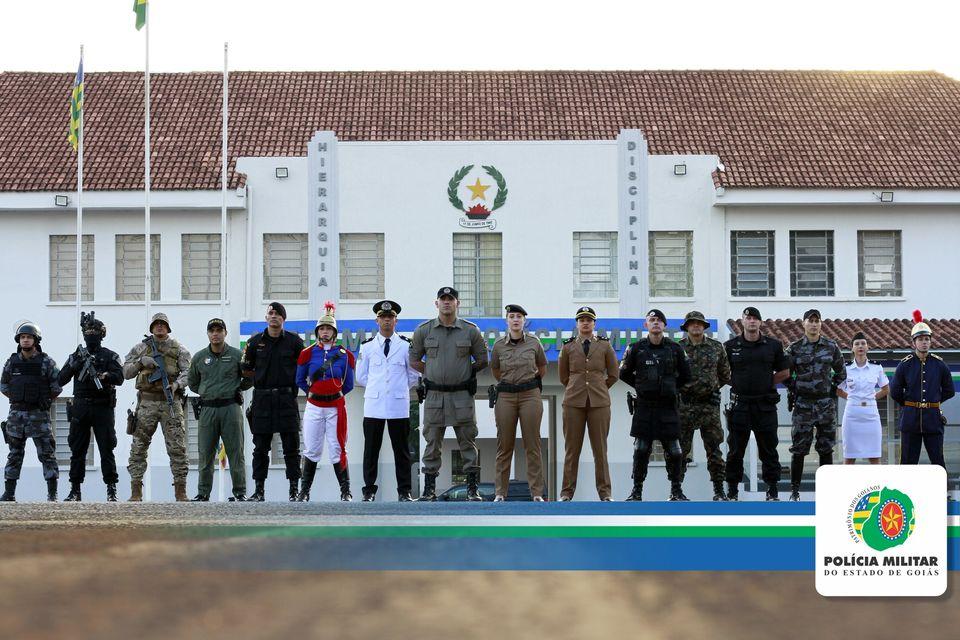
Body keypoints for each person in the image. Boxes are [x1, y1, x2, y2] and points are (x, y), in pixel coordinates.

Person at [409, 286, 488, 501]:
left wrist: (463, 372)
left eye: (450, 299)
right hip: (434, 395)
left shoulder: (470, 330)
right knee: (432, 442)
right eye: (442, 299)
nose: (446, 302)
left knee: (468, 442)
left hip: (462, 395)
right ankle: (429, 489)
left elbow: (482, 360)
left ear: (457, 303)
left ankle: (472, 489)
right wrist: (432, 372)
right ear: (436, 303)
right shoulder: (424, 331)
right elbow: (414, 360)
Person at [619, 309, 691, 501]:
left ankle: (676, 490)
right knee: (641, 449)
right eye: (652, 320)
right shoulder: (636, 348)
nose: (656, 323)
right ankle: (636, 491)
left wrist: (671, 388)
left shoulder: (675, 349)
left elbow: (687, 376)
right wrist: (642, 386)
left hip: (668, 406)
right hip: (645, 406)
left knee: (675, 451)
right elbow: (624, 373)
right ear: (646, 325)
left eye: (659, 320)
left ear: (664, 325)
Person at [355, 300, 420, 502]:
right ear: (377, 320)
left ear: (396, 320)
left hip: (398, 404)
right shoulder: (367, 347)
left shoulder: (405, 345)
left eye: (390, 317)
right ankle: (369, 490)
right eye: (383, 317)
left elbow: (413, 375)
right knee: (371, 450)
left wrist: (396, 389)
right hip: (374, 405)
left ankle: (404, 491)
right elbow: (361, 376)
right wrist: (378, 389)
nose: (386, 321)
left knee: (401, 450)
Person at [724, 307, 790, 501]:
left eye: (755, 318)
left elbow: (785, 372)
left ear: (760, 322)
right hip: (740, 406)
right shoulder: (730, 346)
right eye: (748, 318)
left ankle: (772, 489)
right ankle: (733, 490)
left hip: (765, 405)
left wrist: (765, 382)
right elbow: (722, 372)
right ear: (742, 322)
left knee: (769, 449)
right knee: (735, 450)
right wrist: (737, 383)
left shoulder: (774, 345)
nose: (751, 321)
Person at [123, 313, 191, 502]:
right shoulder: (140, 348)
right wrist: (140, 362)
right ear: (152, 327)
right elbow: (125, 372)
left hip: (171, 402)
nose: (160, 327)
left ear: (168, 328)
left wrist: (176, 385)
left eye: (163, 324)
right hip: (146, 402)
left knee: (177, 447)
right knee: (138, 447)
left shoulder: (179, 349)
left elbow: (188, 373)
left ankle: (181, 491)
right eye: (156, 324)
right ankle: (136, 491)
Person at [57, 312, 124, 502]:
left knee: (106, 448)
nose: (91, 334)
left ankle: (111, 490)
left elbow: (120, 377)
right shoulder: (76, 355)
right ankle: (75, 489)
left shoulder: (110, 356)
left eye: (95, 331)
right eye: (88, 331)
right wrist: (75, 364)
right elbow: (60, 379)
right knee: (77, 450)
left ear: (102, 334)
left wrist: (105, 375)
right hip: (80, 408)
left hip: (103, 408)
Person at [241, 302, 305, 502]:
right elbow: (246, 368)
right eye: (271, 313)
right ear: (266, 317)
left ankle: (294, 490)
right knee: (260, 448)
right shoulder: (254, 342)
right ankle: (259, 491)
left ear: (283, 319)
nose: (274, 316)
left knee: (291, 448)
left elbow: (302, 367)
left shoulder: (294, 342)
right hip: (262, 399)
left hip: (286, 398)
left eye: (278, 314)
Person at [295, 301, 356, 501]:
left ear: (334, 332)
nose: (325, 332)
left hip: (335, 407)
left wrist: (333, 393)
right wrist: (313, 392)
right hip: (314, 406)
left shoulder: (344, 355)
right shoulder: (307, 353)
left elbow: (348, 384)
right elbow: (299, 379)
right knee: (312, 448)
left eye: (329, 328)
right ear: (317, 331)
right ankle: (304, 492)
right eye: (322, 328)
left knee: (337, 448)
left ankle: (345, 491)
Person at [187, 318, 252, 501]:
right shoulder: (199, 357)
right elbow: (192, 382)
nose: (215, 334)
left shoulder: (236, 355)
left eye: (219, 330)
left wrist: (236, 389)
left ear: (225, 333)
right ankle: (203, 493)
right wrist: (206, 391)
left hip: (230, 408)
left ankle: (240, 492)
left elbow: (248, 378)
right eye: (212, 330)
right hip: (208, 409)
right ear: (208, 333)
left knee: (236, 452)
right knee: (205, 453)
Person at [784, 309, 845, 501]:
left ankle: (827, 494)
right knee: (799, 448)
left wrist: (830, 389)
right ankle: (794, 492)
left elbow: (841, 373)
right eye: (810, 321)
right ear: (803, 324)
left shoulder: (831, 346)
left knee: (826, 448)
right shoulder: (794, 348)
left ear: (820, 324)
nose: (813, 324)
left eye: (816, 321)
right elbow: (784, 373)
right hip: (803, 404)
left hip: (825, 404)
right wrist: (795, 387)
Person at [558, 306, 619, 501]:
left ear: (594, 324)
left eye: (589, 320)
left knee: (600, 450)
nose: (585, 322)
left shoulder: (604, 345)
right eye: (581, 319)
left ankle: (605, 493)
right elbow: (563, 377)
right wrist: (577, 388)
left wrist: (598, 387)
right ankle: (566, 493)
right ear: (577, 323)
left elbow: (614, 374)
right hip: (573, 402)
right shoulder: (567, 346)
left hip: (599, 403)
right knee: (571, 450)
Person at [490, 304, 547, 502]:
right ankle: (500, 493)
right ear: (506, 321)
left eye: (519, 317)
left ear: (524, 321)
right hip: (505, 396)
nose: (515, 320)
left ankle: (537, 493)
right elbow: (496, 370)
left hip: (530, 394)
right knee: (504, 445)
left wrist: (528, 382)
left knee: (533, 444)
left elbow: (542, 366)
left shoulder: (534, 342)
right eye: (512, 316)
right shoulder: (498, 345)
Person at [0, 322, 60, 502]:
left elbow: (56, 387)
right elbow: (3, 385)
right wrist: (18, 397)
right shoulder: (12, 361)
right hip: (17, 415)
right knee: (14, 454)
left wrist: (45, 399)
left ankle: (52, 494)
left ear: (35, 340)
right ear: (19, 340)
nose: (25, 340)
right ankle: (9, 493)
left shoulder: (47, 362)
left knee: (47, 454)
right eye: (22, 337)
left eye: (29, 337)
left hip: (39, 416)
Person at [890, 311, 955, 475]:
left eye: (927, 339)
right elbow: (895, 390)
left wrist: (934, 401)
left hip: (933, 418)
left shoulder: (940, 365)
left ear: (931, 341)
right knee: (908, 461)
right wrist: (908, 404)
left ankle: (943, 493)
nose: (924, 342)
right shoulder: (904, 365)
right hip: (910, 419)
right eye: (920, 339)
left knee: (938, 460)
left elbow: (950, 390)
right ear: (914, 342)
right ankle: (903, 495)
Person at [677, 311, 731, 501]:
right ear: (686, 327)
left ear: (704, 326)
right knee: (680, 450)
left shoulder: (716, 347)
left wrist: (711, 389)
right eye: (692, 323)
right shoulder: (678, 348)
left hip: (709, 406)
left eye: (699, 323)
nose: (696, 326)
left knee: (714, 450)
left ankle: (718, 490)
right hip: (685, 406)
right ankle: (676, 490)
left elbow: (725, 375)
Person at [836, 332, 888, 465]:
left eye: (863, 343)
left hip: (871, 415)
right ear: (852, 348)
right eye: (857, 344)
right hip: (852, 415)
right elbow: (837, 389)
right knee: (849, 457)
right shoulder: (846, 368)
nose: (860, 346)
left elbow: (886, 389)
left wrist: (871, 399)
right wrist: (852, 399)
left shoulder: (876, 367)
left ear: (867, 347)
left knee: (874, 456)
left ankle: (877, 485)